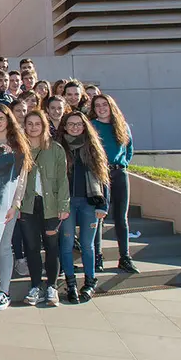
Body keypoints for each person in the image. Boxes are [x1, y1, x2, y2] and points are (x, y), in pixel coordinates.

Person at [0, 105, 32, 310]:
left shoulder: (18, 145)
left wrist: (16, 204)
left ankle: (4, 291)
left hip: (8, 205)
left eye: (1, 118)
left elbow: (22, 179)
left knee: (3, 246)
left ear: (8, 120)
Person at [56, 111, 109, 303]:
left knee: (87, 245)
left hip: (89, 202)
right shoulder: (58, 147)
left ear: (85, 126)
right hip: (66, 202)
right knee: (67, 244)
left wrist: (104, 204)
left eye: (78, 124)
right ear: (64, 126)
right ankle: (70, 284)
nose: (75, 127)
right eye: (70, 124)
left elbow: (103, 178)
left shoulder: (93, 147)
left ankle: (89, 282)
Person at [20, 110, 69, 308]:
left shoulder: (55, 149)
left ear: (44, 126)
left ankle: (52, 286)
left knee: (51, 247)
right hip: (28, 205)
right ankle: (35, 286)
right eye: (29, 124)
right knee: (31, 247)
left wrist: (63, 205)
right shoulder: (20, 148)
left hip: (50, 205)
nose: (33, 127)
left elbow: (62, 179)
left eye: (37, 124)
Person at [89, 94, 138, 273]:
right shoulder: (92, 126)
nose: (101, 108)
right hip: (100, 173)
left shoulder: (121, 126)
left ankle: (125, 256)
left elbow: (129, 149)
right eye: (97, 106)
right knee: (99, 216)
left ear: (111, 106)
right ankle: (97, 257)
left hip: (119, 173)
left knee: (121, 217)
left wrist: (121, 164)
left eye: (104, 105)